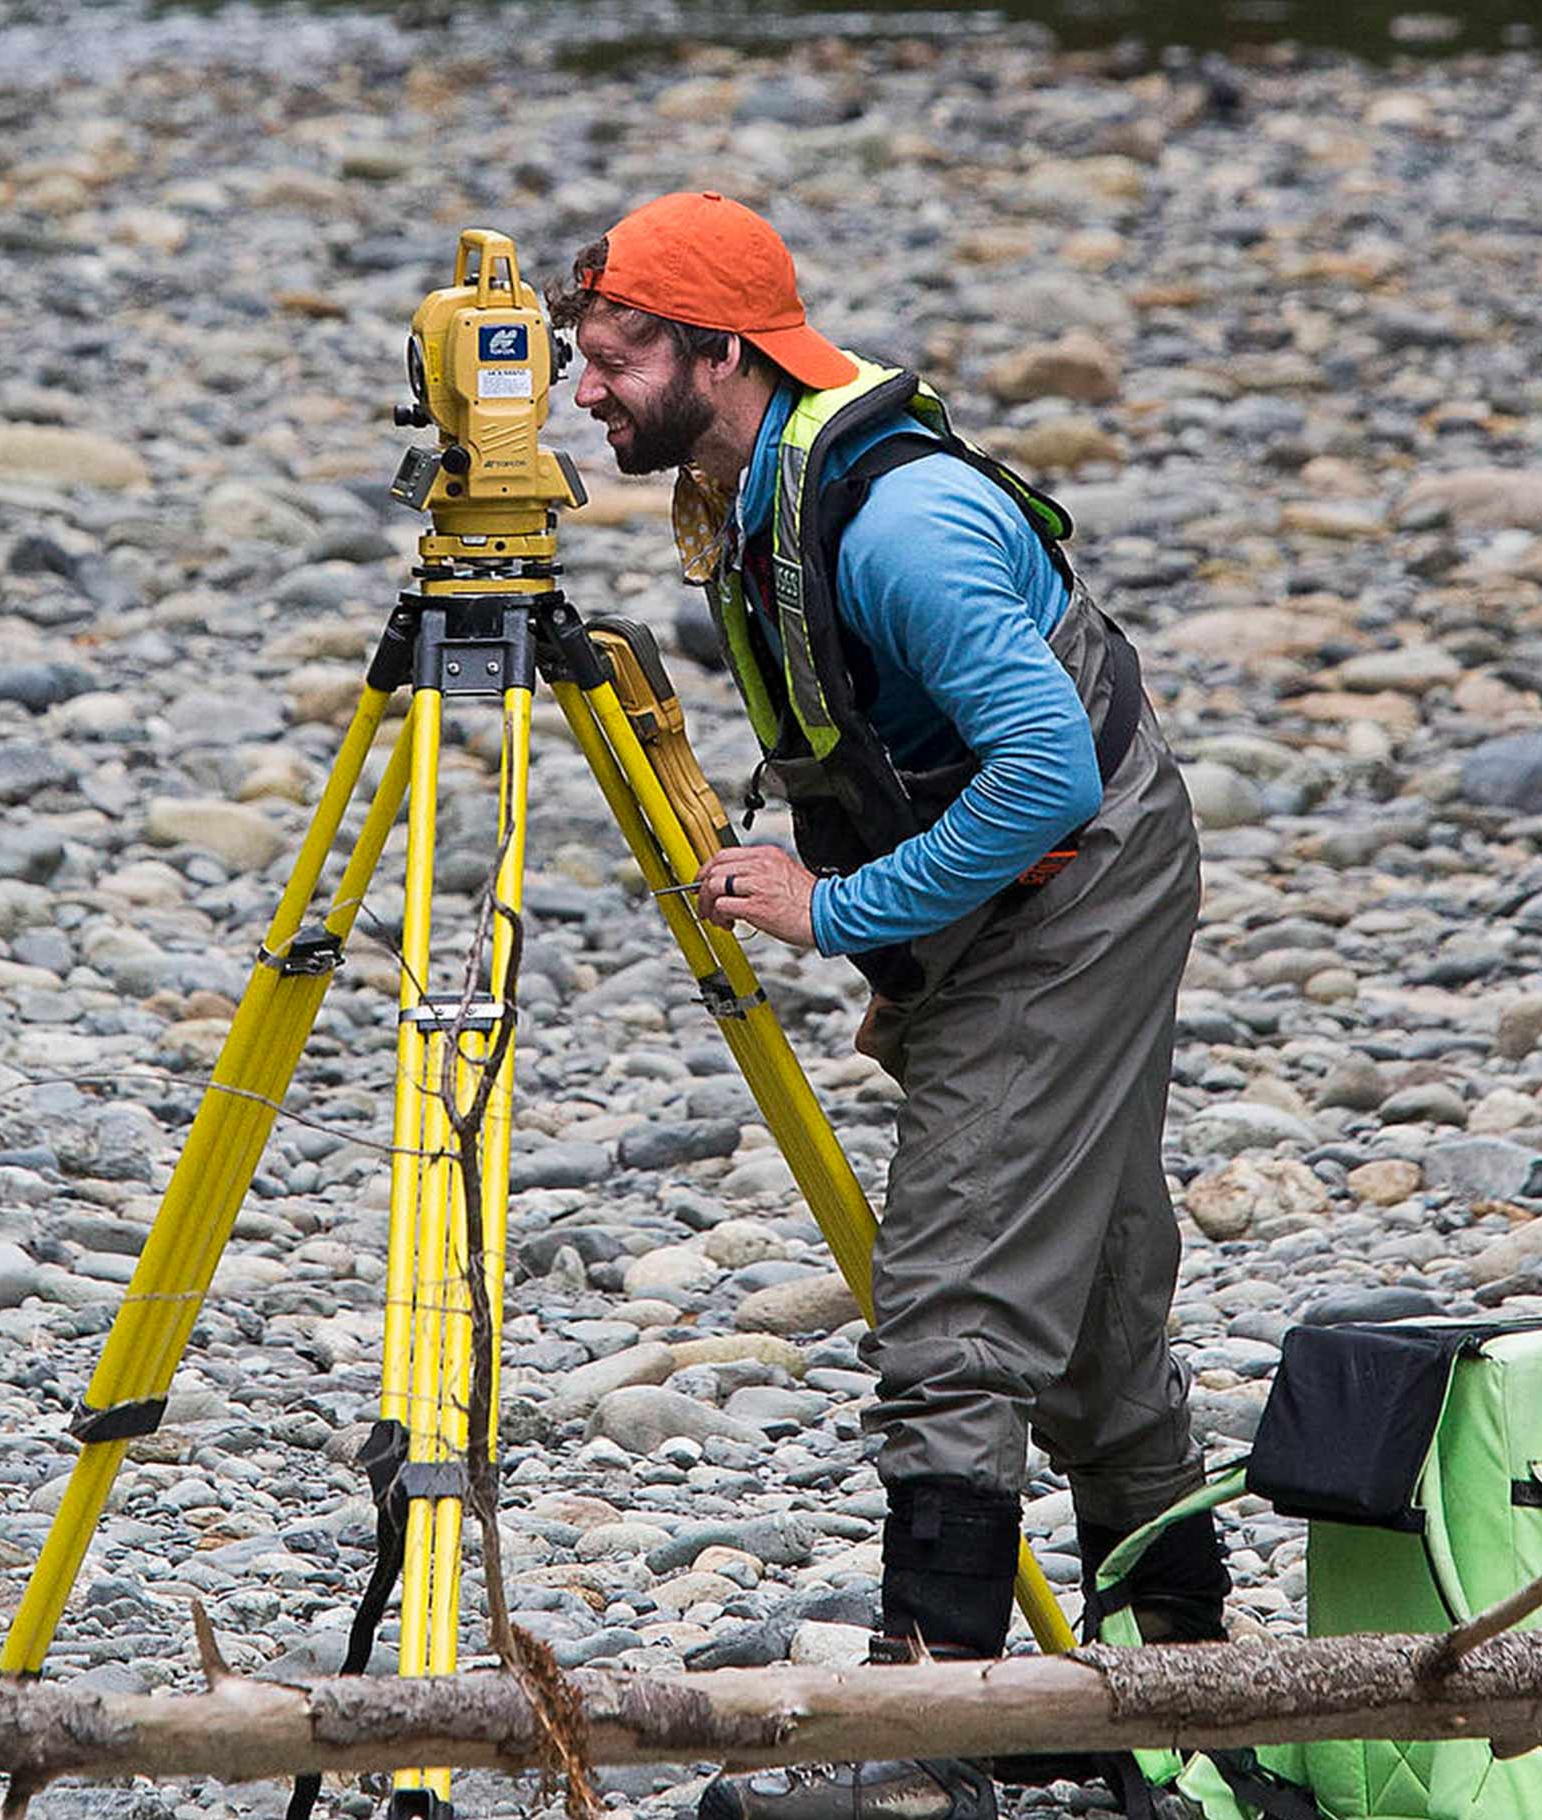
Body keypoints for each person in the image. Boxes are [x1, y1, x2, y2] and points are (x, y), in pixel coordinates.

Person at [555, 192, 1228, 1820]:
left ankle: (931, 1762)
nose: (584, 396)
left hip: (1072, 887)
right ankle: (1193, 1706)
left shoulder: (899, 520)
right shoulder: (749, 473)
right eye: (578, 358)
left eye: (620, 357)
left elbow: (1049, 772)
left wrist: (841, 909)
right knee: (1093, 1306)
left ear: (729, 350)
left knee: (957, 1312)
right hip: (1014, 889)